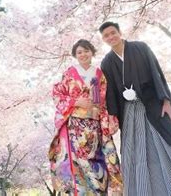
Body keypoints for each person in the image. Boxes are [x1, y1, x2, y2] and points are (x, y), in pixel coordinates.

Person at [99, 21, 171, 196]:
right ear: (103, 40)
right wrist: (112, 117)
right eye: (106, 36)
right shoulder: (106, 62)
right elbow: (110, 93)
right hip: (129, 113)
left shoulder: (140, 48)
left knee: (170, 147)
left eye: (113, 32)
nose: (111, 37)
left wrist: (166, 101)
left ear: (120, 32)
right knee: (133, 153)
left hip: (153, 105)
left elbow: (156, 73)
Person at [49, 39, 122, 195]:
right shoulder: (69, 73)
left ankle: (101, 191)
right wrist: (76, 101)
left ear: (92, 52)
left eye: (86, 51)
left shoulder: (99, 73)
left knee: (98, 159)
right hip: (75, 125)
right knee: (78, 162)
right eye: (79, 52)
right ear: (75, 55)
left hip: (95, 124)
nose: (83, 54)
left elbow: (103, 98)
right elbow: (57, 94)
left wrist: (101, 111)